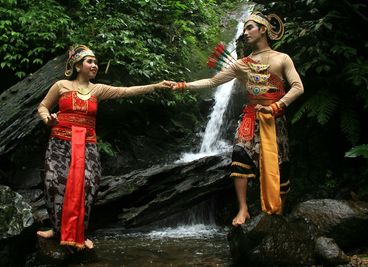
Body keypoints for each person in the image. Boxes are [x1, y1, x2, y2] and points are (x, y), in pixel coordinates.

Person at [169, 12, 304, 226]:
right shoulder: (241, 64)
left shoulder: (282, 58)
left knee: (280, 165)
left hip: (274, 118)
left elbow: (298, 87)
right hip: (250, 117)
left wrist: (278, 105)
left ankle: (279, 210)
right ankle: (243, 209)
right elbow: (213, 81)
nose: (245, 32)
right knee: (239, 155)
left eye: (250, 27)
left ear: (263, 30)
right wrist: (184, 85)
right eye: (244, 28)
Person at [37, 45, 171, 249]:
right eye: (90, 62)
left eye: (95, 63)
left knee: (89, 185)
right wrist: (48, 120)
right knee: (54, 184)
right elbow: (43, 106)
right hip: (59, 141)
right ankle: (56, 231)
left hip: (87, 143)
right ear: (78, 65)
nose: (95, 65)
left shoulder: (97, 89)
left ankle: (80, 234)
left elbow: (126, 91)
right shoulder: (61, 85)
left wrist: (157, 85)